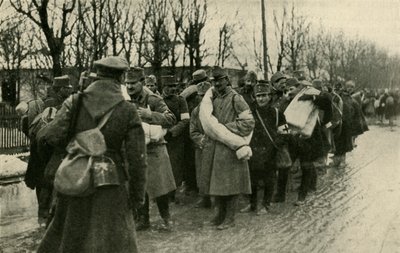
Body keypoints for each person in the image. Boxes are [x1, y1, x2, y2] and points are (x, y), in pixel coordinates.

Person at [36, 56, 147, 253]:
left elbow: (50, 137)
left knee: (71, 239)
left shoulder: (74, 102)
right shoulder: (128, 109)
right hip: (112, 186)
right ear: (121, 77)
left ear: (97, 75)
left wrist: (75, 145)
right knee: (112, 242)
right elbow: (137, 158)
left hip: (75, 180)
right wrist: (137, 196)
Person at [200, 66, 254, 230]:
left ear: (227, 80)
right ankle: (219, 216)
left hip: (231, 149)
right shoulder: (215, 100)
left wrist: (225, 129)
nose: (216, 84)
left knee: (231, 185)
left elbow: (248, 123)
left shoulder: (236, 98)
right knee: (217, 185)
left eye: (219, 80)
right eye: (214, 81)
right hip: (216, 149)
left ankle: (230, 218)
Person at [126, 67, 177, 231]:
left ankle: (166, 218)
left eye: (133, 83)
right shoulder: (125, 98)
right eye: (127, 83)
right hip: (135, 148)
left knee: (159, 186)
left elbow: (171, 119)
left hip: (155, 149)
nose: (129, 87)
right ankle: (143, 219)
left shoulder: (153, 99)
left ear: (142, 82)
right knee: (138, 185)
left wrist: (150, 116)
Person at [24, 75, 73, 227]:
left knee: (44, 184)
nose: (70, 91)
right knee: (47, 185)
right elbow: (50, 131)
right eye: (67, 89)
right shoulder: (54, 104)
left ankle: (45, 218)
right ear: (61, 89)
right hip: (46, 152)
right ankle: (45, 219)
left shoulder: (50, 101)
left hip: (41, 151)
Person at [241, 81, 288, 214]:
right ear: (255, 97)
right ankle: (252, 204)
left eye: (264, 95)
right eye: (258, 96)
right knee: (252, 179)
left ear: (270, 96)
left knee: (269, 179)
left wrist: (275, 145)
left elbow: (285, 134)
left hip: (270, 152)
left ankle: (265, 205)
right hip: (253, 150)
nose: (261, 99)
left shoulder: (277, 114)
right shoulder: (250, 113)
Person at [161, 75, 190, 198]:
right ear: (164, 87)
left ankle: (172, 194)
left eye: (174, 86)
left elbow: (185, 120)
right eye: (169, 86)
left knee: (175, 167)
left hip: (176, 140)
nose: (172, 89)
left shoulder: (180, 100)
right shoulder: (158, 100)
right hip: (161, 138)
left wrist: (172, 131)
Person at [189, 81, 212, 208]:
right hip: (201, 147)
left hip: (216, 145)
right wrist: (200, 139)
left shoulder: (217, 108)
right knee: (202, 173)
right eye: (200, 95)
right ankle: (204, 197)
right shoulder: (195, 111)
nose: (202, 98)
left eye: (205, 95)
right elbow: (192, 131)